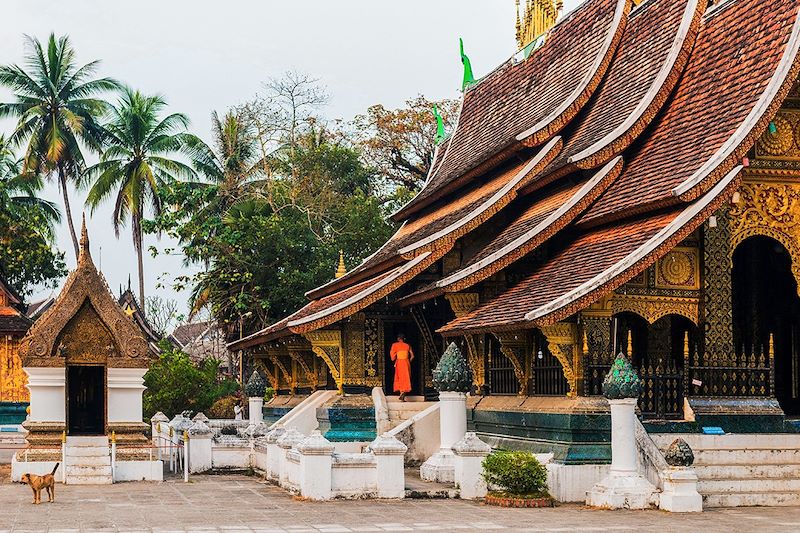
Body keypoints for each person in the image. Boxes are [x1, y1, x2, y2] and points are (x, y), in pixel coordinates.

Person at [390, 333, 414, 401]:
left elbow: (392, 357)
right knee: (406, 377)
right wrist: (408, 361)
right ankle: (403, 393)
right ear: (404, 339)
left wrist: (396, 357)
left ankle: (401, 392)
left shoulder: (395, 345)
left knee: (399, 377)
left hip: (400, 362)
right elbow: (412, 356)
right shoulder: (407, 345)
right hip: (406, 363)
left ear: (398, 339)